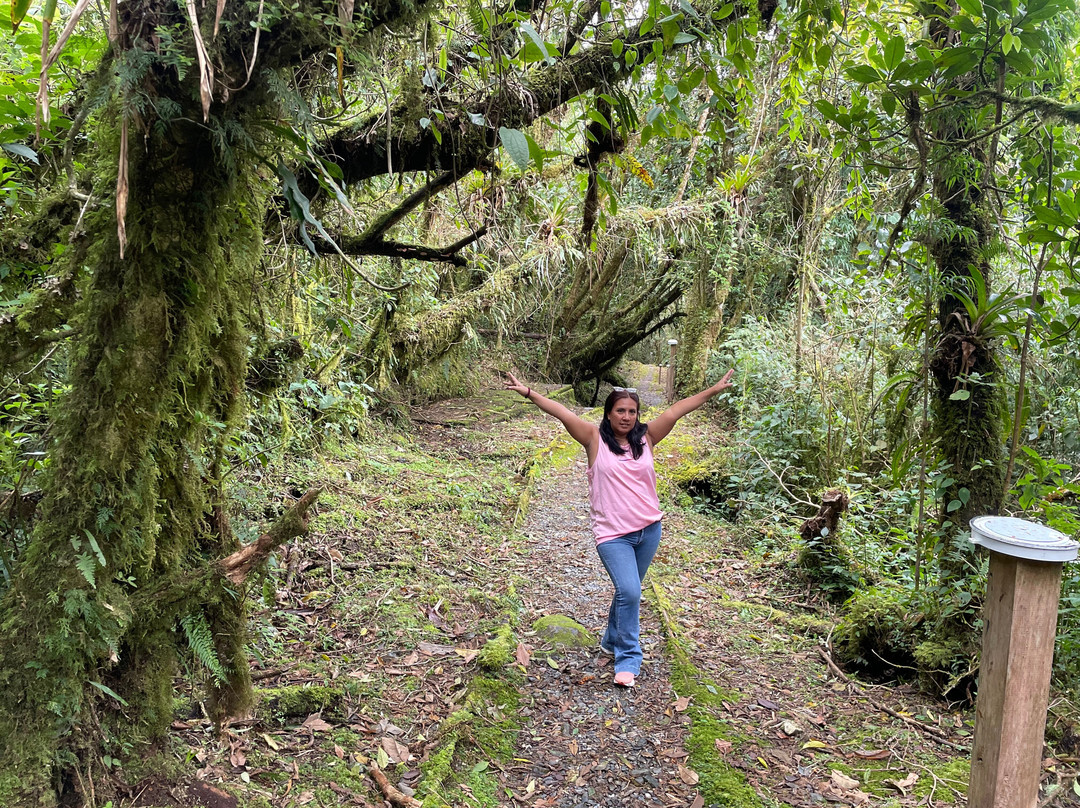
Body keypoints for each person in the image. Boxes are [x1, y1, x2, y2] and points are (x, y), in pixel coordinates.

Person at [504, 369, 735, 687]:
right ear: (608, 413)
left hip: (649, 530)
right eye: (620, 411)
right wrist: (528, 392)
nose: (626, 417)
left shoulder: (647, 438)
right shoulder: (592, 438)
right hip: (613, 535)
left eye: (632, 411)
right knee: (629, 591)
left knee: (628, 591)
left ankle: (611, 640)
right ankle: (628, 658)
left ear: (638, 414)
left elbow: (678, 409)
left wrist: (714, 389)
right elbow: (561, 412)